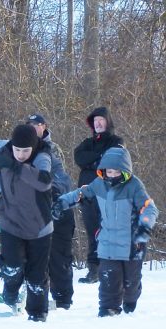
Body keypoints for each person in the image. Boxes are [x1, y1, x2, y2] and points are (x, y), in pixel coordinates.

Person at [55, 147, 157, 317]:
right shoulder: (99, 184)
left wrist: (145, 226)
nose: (112, 175)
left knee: (130, 283)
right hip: (107, 242)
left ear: (125, 171)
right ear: (103, 171)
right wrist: (62, 203)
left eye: (117, 171)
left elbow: (149, 208)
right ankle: (108, 309)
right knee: (108, 279)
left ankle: (131, 297)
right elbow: (81, 193)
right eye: (109, 171)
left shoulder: (134, 186)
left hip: (132, 244)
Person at [0, 125, 54, 321]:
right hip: (11, 221)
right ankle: (10, 291)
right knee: (12, 266)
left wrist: (15, 166)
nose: (21, 154)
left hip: (39, 226)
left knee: (37, 277)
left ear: (33, 147)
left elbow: (44, 181)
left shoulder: (42, 156)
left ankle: (37, 315)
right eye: (17, 150)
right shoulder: (2, 148)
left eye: (25, 151)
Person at [28, 114, 75, 309]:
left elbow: (62, 178)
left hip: (57, 207)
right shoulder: (22, 149)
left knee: (59, 256)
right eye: (29, 125)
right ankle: (36, 296)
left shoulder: (52, 150)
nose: (33, 128)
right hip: (33, 211)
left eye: (36, 125)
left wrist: (51, 189)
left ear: (43, 127)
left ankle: (63, 299)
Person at [73, 107, 125, 284]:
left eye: (101, 119)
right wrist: (98, 159)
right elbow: (79, 157)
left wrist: (93, 162)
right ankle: (93, 270)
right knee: (92, 232)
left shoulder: (116, 141)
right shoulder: (87, 143)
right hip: (88, 195)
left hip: (110, 195)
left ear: (108, 121)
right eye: (95, 121)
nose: (98, 123)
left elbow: (114, 159)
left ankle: (111, 269)